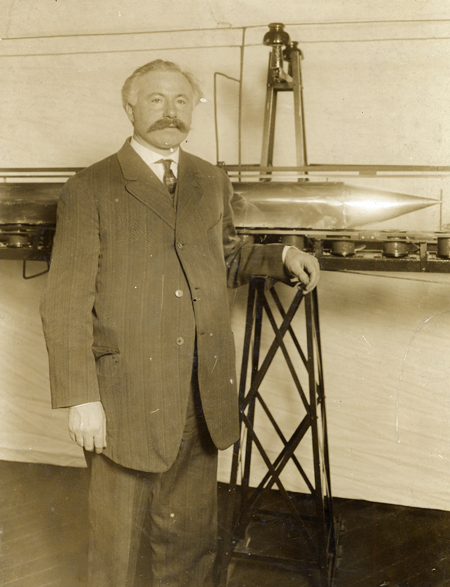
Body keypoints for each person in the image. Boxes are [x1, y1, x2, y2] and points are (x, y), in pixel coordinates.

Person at [40, 59, 320, 587]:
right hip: (123, 401)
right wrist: (81, 397)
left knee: (190, 548)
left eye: (182, 101)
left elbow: (225, 258)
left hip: (201, 395)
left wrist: (281, 258)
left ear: (194, 108)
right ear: (129, 108)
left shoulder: (210, 181)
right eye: (155, 100)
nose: (171, 112)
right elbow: (65, 302)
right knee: (115, 556)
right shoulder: (91, 188)